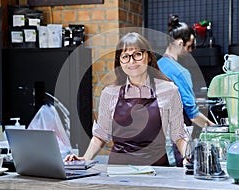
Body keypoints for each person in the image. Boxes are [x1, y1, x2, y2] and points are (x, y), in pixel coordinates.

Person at [64, 32, 188, 166]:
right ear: (119, 62)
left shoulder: (169, 90)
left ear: (148, 57)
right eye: (125, 56)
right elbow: (100, 136)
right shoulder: (109, 93)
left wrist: (188, 158)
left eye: (137, 54)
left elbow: (179, 134)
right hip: (118, 171)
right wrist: (84, 160)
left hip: (157, 171)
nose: (132, 61)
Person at [157, 15, 215, 166]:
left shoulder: (155, 66)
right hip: (172, 141)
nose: (189, 52)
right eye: (189, 47)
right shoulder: (180, 72)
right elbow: (192, 113)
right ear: (181, 43)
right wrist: (214, 128)